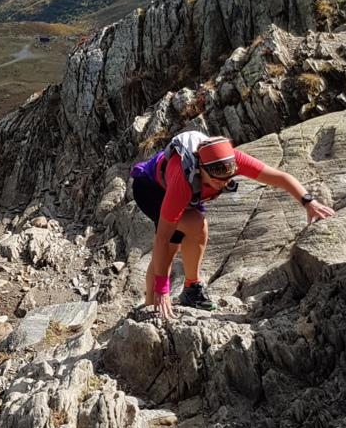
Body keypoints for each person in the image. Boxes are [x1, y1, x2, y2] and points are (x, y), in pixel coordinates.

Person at [129, 130, 334, 318]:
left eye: (229, 178)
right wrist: (163, 289)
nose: (225, 184)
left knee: (182, 240)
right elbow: (162, 239)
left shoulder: (231, 159)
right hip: (151, 189)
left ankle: (181, 291)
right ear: (201, 169)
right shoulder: (183, 180)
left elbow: (279, 177)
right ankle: (158, 301)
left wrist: (308, 201)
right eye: (218, 180)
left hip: (187, 192)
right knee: (187, 232)